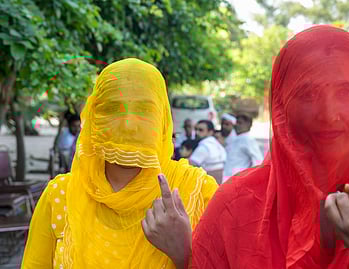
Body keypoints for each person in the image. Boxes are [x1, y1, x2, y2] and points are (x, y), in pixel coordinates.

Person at [191, 26, 349, 268]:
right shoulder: (235, 206)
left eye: (345, 92)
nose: (329, 115)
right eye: (307, 94)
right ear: (281, 108)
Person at [22, 58, 218, 269]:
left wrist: (183, 254)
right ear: (94, 117)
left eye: (144, 110)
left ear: (162, 120)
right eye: (113, 108)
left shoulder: (197, 193)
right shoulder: (60, 196)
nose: (128, 124)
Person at [222, 111, 263, 183]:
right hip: (229, 177)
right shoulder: (236, 138)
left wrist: (250, 178)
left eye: (240, 123)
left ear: (249, 125)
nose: (236, 125)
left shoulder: (248, 139)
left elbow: (258, 161)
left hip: (238, 179)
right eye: (236, 122)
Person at [190, 120, 227, 185]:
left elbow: (189, 165)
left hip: (208, 184)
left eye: (201, 130)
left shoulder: (205, 147)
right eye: (196, 129)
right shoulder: (216, 144)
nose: (197, 132)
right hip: (219, 183)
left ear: (210, 132)